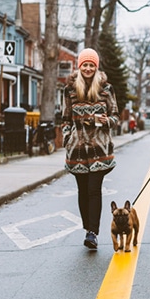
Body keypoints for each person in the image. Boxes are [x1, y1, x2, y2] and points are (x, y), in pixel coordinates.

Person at [61, 48, 119, 250]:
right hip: (77, 150)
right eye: (84, 64)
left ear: (96, 67)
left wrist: (106, 121)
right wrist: (68, 137)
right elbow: (65, 118)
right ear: (79, 66)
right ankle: (88, 227)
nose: (87, 68)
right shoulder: (69, 90)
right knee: (83, 191)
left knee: (94, 190)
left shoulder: (106, 89)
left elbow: (115, 117)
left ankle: (92, 233)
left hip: (99, 149)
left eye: (91, 65)